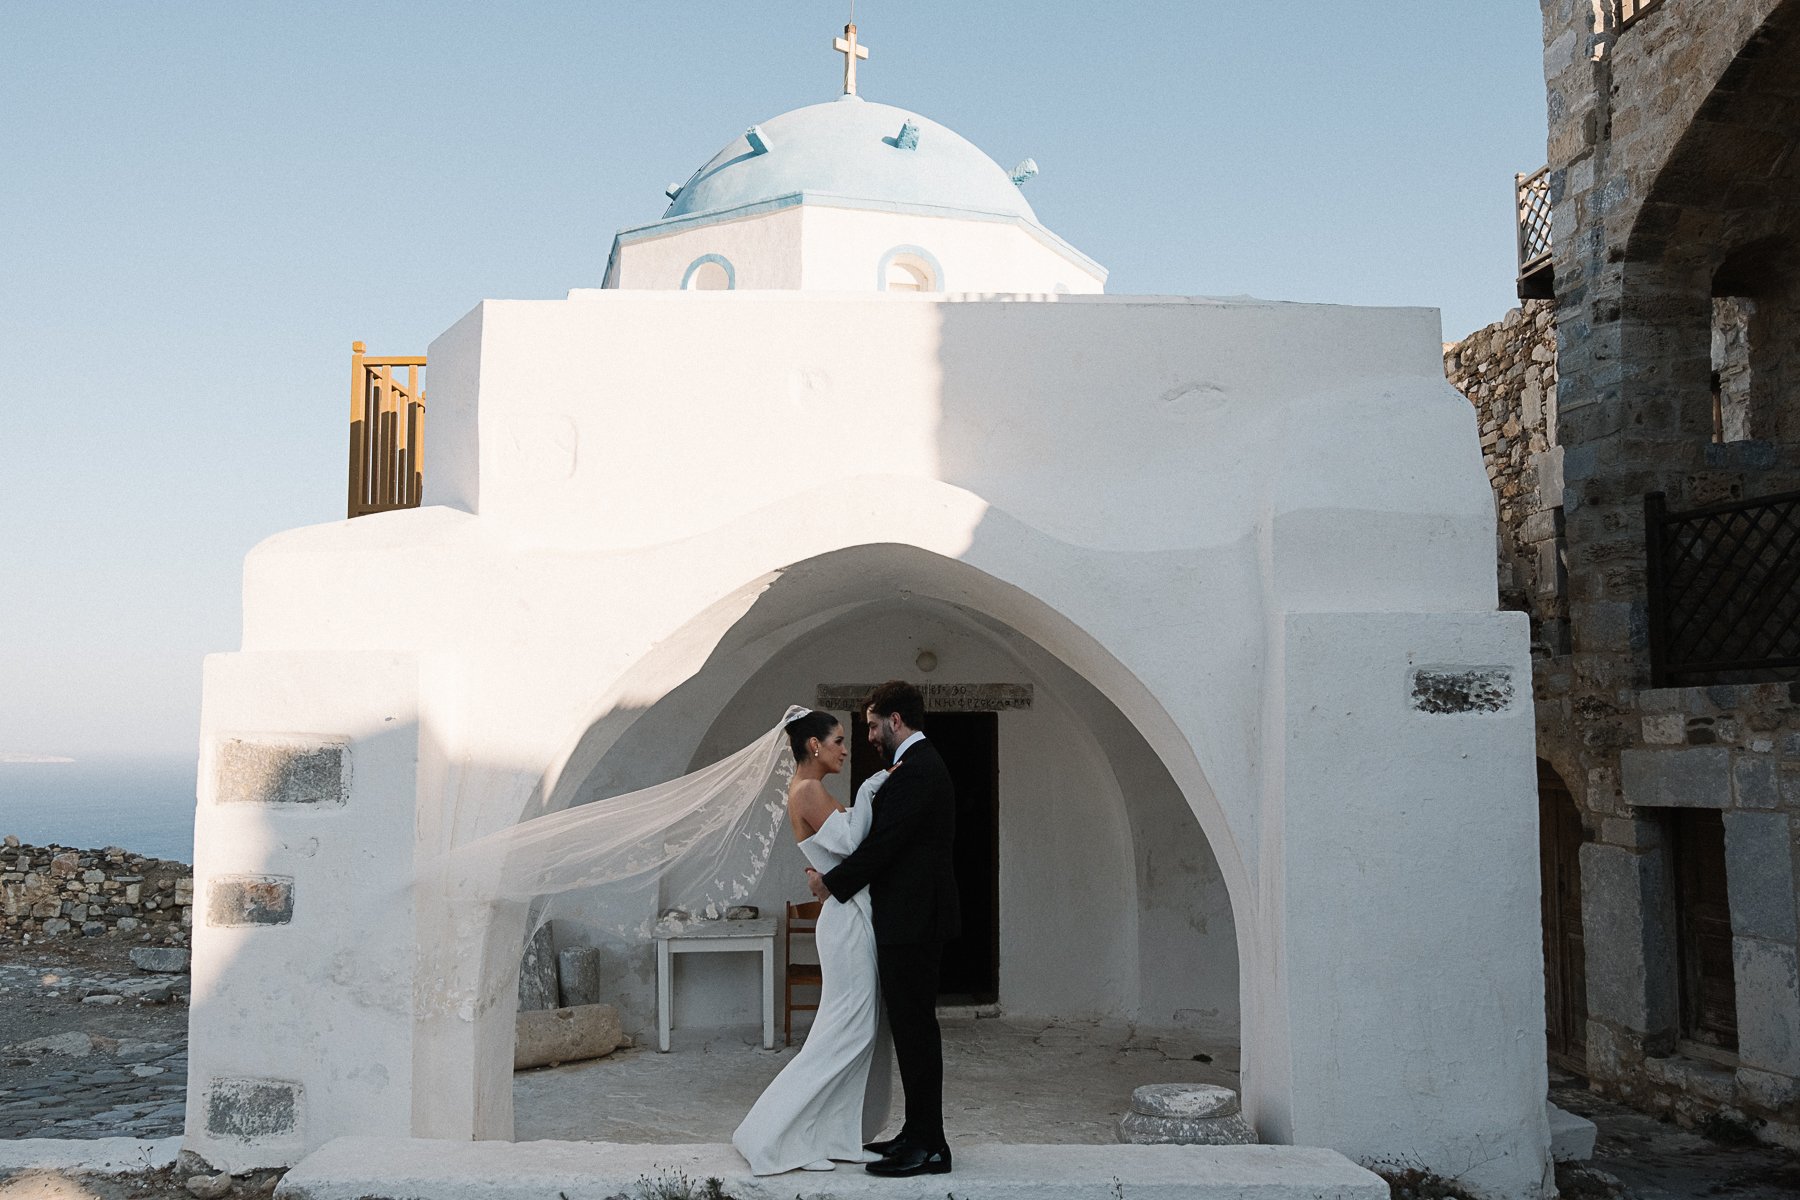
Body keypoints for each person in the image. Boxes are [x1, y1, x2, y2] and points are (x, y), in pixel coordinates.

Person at [807, 680, 958, 1177]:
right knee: (910, 1028)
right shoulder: (913, 767)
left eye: (873, 726)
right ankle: (916, 1134)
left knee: (917, 1030)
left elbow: (884, 845)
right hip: (907, 918)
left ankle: (931, 1146)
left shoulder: (919, 769)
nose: (868, 735)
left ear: (896, 720)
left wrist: (833, 884)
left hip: (915, 921)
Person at [732, 709, 893, 1174]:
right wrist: (868, 789)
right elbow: (852, 843)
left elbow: (839, 852)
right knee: (846, 1033)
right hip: (844, 922)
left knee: (851, 1032)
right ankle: (773, 1135)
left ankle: (834, 1137)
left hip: (846, 915)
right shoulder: (808, 790)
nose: (846, 748)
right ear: (814, 746)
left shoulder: (810, 791)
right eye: (839, 740)